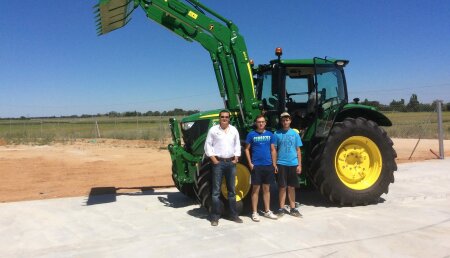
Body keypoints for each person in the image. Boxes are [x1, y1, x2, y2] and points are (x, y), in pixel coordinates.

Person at [204, 110, 243, 226]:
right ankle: (215, 217)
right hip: (218, 163)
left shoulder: (234, 130)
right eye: (222, 117)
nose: (224, 118)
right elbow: (208, 145)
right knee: (216, 192)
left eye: (226, 117)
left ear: (229, 118)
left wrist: (236, 157)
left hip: (231, 163)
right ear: (219, 118)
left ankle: (233, 215)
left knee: (232, 191)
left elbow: (237, 144)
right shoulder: (213, 130)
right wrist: (214, 160)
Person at [244, 115, 278, 222]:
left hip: (268, 165)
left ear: (265, 123)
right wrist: (250, 163)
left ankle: (267, 211)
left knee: (267, 189)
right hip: (256, 166)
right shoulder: (251, 135)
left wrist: (274, 164)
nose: (261, 123)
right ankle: (254, 212)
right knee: (255, 190)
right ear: (256, 123)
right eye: (259, 122)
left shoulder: (270, 134)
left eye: (263, 122)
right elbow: (246, 149)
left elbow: (273, 150)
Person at [274, 112, 303, 217]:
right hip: (281, 163)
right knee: (282, 187)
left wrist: (299, 165)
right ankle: (281, 209)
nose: (285, 122)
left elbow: (298, 150)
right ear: (281, 122)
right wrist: (275, 164)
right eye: (283, 120)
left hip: (293, 163)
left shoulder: (295, 134)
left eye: (287, 120)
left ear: (290, 121)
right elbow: (274, 150)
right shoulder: (276, 134)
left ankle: (293, 209)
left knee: (291, 187)